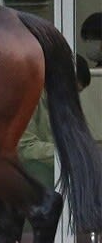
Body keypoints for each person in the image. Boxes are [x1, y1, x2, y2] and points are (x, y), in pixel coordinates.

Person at [19, 54, 92, 188]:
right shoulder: (29, 97)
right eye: (73, 90)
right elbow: (24, 146)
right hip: (32, 187)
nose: (73, 96)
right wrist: (63, 153)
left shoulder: (62, 103)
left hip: (56, 184)